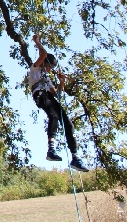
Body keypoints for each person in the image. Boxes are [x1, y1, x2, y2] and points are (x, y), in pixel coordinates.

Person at [30, 33, 89, 172]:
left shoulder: (48, 78)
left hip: (50, 97)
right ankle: (51, 149)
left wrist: (62, 82)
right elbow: (43, 54)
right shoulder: (34, 70)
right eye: (50, 66)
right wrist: (37, 42)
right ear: (45, 63)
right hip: (40, 95)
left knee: (68, 123)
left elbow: (57, 94)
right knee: (53, 116)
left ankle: (75, 157)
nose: (50, 69)